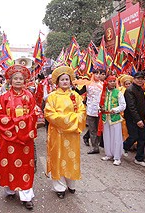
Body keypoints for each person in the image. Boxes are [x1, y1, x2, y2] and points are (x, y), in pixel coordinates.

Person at [0, 65, 37, 210]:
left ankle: (26, 196)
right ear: (10, 81)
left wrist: (20, 126)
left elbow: (34, 114)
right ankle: (10, 189)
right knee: (9, 163)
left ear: (25, 81)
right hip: (8, 137)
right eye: (15, 78)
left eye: (21, 79)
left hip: (25, 139)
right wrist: (16, 126)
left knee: (25, 166)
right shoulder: (4, 97)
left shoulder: (29, 96)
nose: (18, 81)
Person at [44, 66, 86, 199]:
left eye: (67, 79)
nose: (65, 82)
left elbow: (82, 112)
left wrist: (68, 122)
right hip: (57, 132)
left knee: (71, 157)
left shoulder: (76, 96)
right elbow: (49, 114)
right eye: (62, 80)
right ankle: (59, 186)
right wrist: (68, 121)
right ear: (57, 82)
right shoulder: (52, 97)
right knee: (58, 157)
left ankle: (71, 183)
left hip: (72, 133)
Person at [123, 71, 145, 167]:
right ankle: (123, 147)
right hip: (132, 118)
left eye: (142, 79)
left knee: (142, 138)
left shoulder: (140, 89)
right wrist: (138, 120)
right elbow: (131, 107)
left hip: (141, 117)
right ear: (134, 79)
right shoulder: (130, 90)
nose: (140, 80)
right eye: (138, 78)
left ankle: (139, 158)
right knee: (133, 136)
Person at [99, 75, 126, 166]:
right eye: (110, 81)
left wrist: (115, 110)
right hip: (105, 118)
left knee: (116, 138)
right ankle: (108, 154)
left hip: (115, 118)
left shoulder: (118, 93)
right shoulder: (103, 93)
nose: (113, 83)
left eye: (114, 81)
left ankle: (117, 157)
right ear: (106, 82)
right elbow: (100, 103)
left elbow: (123, 105)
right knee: (107, 136)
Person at [85, 70, 105, 154]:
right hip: (90, 109)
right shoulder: (87, 84)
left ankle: (97, 144)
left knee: (99, 129)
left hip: (100, 110)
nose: (97, 75)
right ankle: (95, 147)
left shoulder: (103, 85)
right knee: (92, 129)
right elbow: (80, 92)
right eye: (95, 73)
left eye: (99, 73)